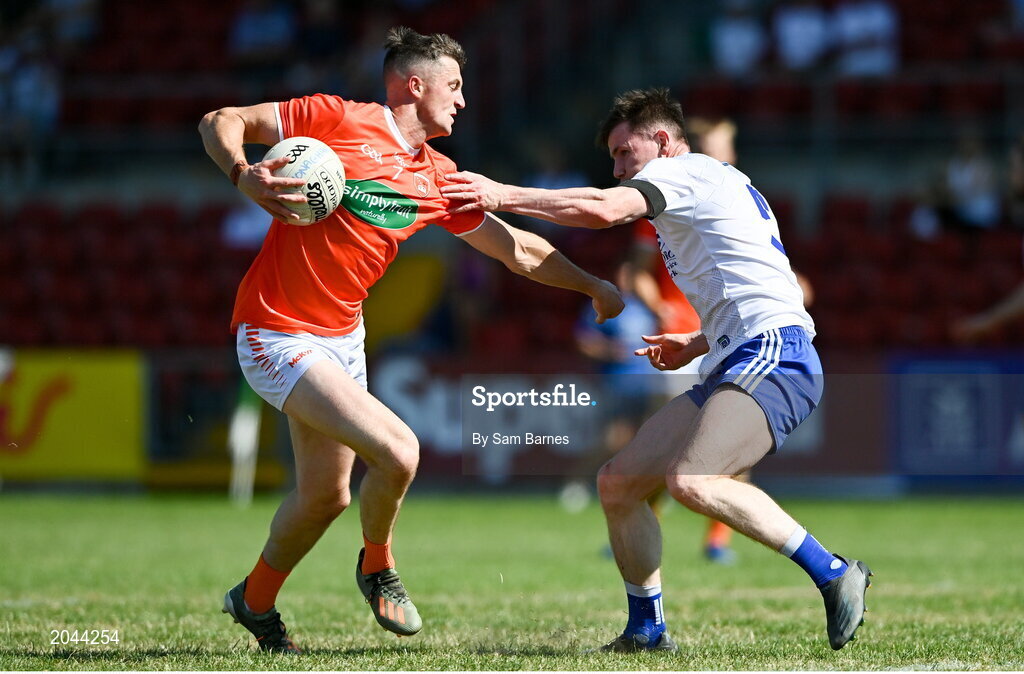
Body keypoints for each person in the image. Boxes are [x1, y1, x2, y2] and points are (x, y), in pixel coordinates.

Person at [198, 27, 623, 654]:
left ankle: (254, 602)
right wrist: (244, 175)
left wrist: (593, 287)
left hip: (342, 337)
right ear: (414, 85)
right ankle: (378, 565)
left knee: (326, 495)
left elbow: (519, 249)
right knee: (399, 450)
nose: (462, 100)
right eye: (453, 86)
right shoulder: (335, 118)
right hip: (276, 331)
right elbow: (220, 119)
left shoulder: (437, 176)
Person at [442, 87, 871, 652]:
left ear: (663, 141)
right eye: (614, 159)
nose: (618, 168)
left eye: (625, 153)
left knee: (693, 480)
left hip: (775, 353)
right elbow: (754, 276)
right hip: (735, 353)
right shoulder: (704, 184)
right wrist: (696, 342)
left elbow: (599, 211)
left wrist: (500, 194)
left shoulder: (685, 173)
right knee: (619, 483)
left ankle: (835, 573)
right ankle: (647, 630)